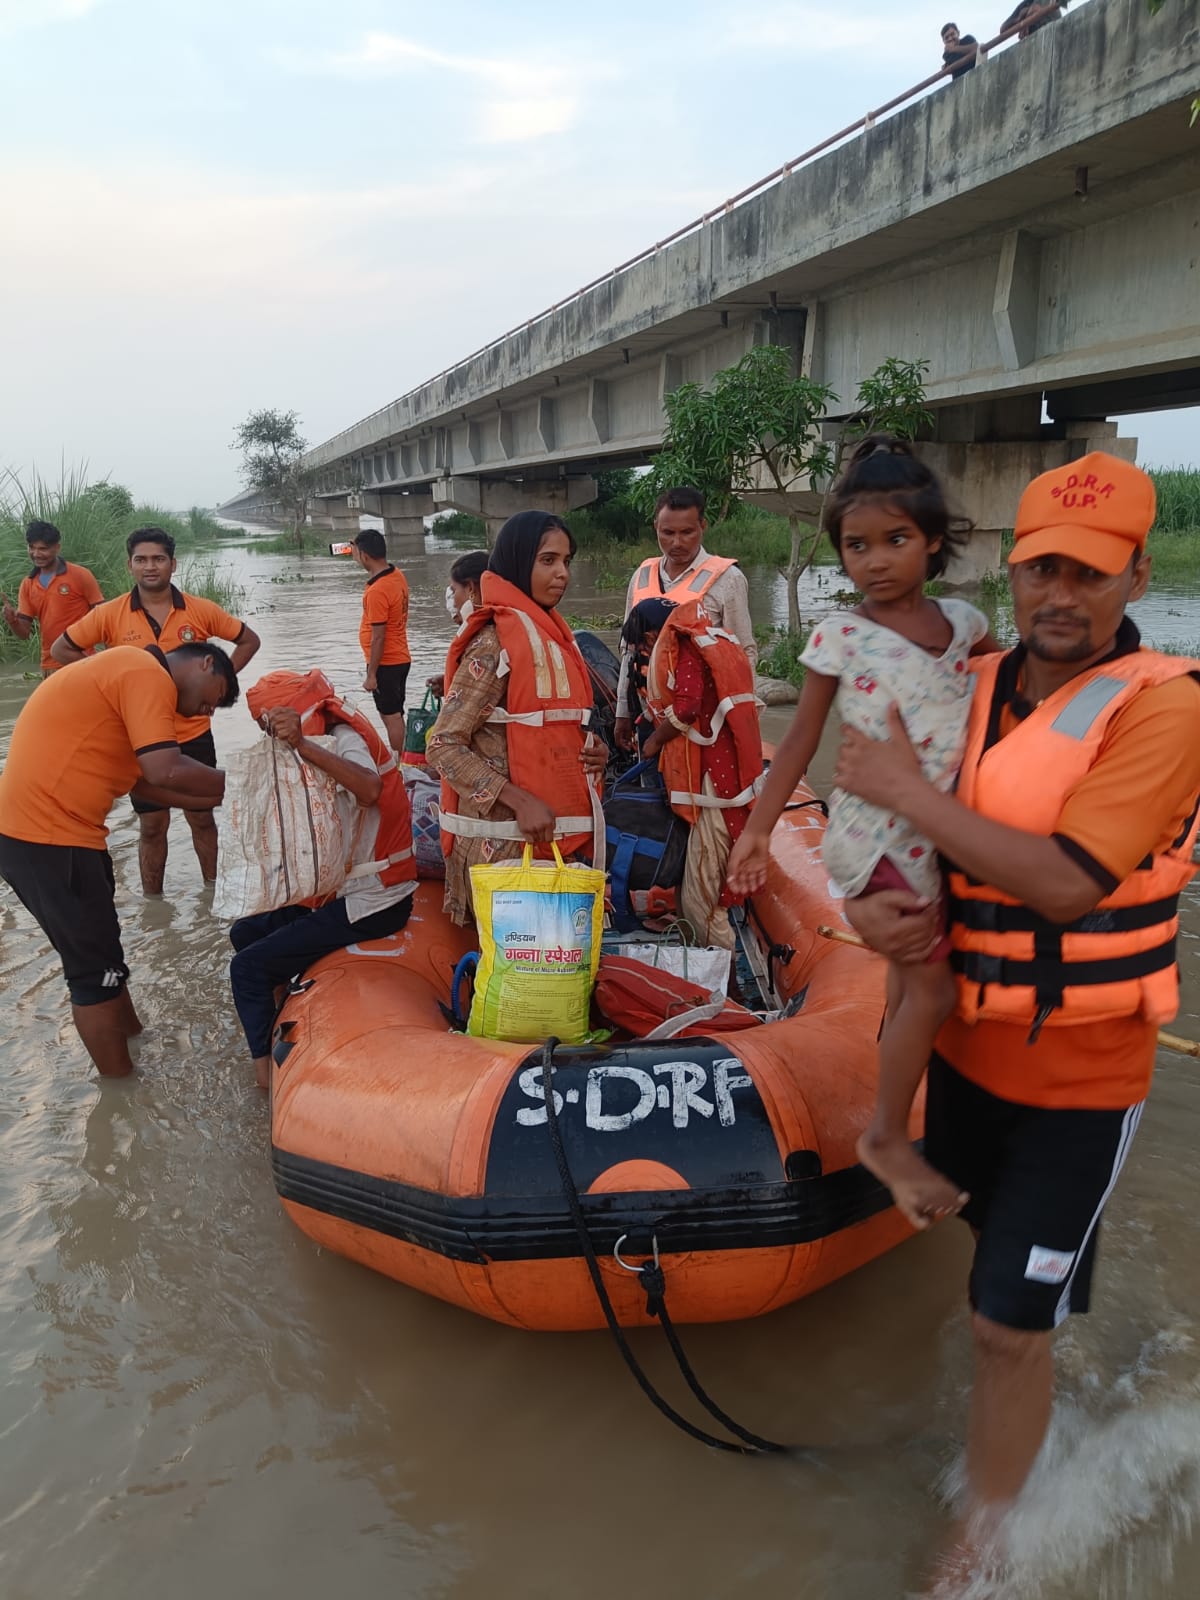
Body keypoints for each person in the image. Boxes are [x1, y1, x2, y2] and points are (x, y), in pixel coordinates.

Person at [830, 452, 1200, 1578]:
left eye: (1089, 574)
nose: (1060, 596)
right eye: (1042, 567)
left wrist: (910, 794)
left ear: (1136, 575)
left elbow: (1067, 882)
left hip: (1082, 1081)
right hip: (968, 1054)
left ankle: (984, 1538)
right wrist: (868, 903)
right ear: (1011, 565)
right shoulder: (974, 681)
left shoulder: (1165, 708)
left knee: (1004, 1320)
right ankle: (1023, 1406)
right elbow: (866, 798)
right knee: (993, 1277)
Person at [727, 437, 998, 1224]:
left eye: (896, 540)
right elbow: (801, 741)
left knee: (930, 992)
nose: (875, 561)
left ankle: (920, 1123)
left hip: (941, 836)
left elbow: (1010, 686)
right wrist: (755, 833)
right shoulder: (839, 638)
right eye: (856, 546)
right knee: (933, 986)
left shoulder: (963, 623)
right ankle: (885, 1136)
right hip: (873, 839)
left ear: (935, 539)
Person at [0, 643, 238, 1078]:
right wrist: (247, 780)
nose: (208, 711)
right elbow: (165, 770)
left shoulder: (126, 679)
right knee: (92, 974)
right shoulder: (144, 671)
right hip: (50, 841)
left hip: (55, 838)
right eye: (214, 697)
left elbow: (145, 787)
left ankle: (134, 1037)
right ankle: (124, 1091)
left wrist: (230, 795)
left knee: (105, 954)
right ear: (205, 662)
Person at [228, 669, 417, 1089]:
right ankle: (286, 1011)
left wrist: (301, 743)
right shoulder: (328, 730)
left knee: (245, 969)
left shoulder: (343, 736)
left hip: (376, 901)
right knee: (244, 932)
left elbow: (368, 788)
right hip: (343, 890)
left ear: (294, 714)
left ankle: (265, 1083)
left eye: (269, 726)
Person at [51, 526, 260, 895]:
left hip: (194, 733)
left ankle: (216, 894)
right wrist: (106, 681)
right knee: (151, 825)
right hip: (142, 739)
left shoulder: (200, 609)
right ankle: (154, 904)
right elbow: (61, 650)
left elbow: (248, 640)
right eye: (142, 560)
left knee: (201, 817)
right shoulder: (109, 614)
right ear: (130, 565)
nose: (151, 567)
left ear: (173, 564)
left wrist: (216, 685)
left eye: (159, 559)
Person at [426, 511, 608, 927]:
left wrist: (596, 751)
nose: (562, 573)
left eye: (566, 561)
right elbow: (442, 745)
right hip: (504, 852)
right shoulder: (493, 643)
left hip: (550, 845)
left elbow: (556, 727)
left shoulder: (553, 636)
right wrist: (519, 799)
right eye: (548, 560)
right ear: (518, 561)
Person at [636, 598, 763, 952]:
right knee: (696, 894)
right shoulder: (711, 640)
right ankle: (706, 970)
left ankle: (727, 988)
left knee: (700, 903)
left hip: (716, 792)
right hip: (728, 782)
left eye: (644, 645)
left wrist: (655, 742)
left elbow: (688, 708)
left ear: (651, 637)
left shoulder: (689, 650)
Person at [613, 487, 756, 753]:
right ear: (656, 527)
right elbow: (629, 651)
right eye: (667, 533)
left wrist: (739, 719)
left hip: (704, 720)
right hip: (648, 715)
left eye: (687, 532)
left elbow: (743, 654)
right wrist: (623, 712)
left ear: (703, 526)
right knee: (650, 787)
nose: (677, 543)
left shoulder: (728, 579)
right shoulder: (642, 576)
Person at [2, 519, 103, 675]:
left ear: (57, 548)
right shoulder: (28, 584)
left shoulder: (80, 575)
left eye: (43, 549)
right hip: (49, 664)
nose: (36, 554)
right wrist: (12, 621)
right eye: (32, 548)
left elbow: (103, 616)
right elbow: (24, 634)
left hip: (82, 660)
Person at [352, 529, 411, 756]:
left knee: (391, 716)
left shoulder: (377, 591)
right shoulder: (396, 575)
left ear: (365, 555)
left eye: (357, 552)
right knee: (395, 713)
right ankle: (404, 758)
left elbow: (378, 637)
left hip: (386, 663)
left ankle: (401, 765)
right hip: (400, 658)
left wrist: (371, 675)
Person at [427, 549, 489, 698]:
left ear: (470, 589)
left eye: (454, 590)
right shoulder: (490, 631)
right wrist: (452, 681)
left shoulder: (486, 643)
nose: (454, 600)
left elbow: (464, 714)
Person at [1001, 0, 1067, 39]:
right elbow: (1003, 30)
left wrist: (1032, 13)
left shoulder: (1050, 1)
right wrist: (1018, 20)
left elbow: (1036, 9)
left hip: (1051, 37)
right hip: (1031, 44)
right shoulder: (1025, 4)